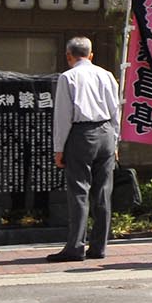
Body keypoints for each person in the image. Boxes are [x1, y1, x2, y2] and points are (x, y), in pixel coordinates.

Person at [47, 37, 121, 263]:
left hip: (81, 134)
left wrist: (59, 149)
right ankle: (99, 246)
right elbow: (115, 109)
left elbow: (63, 116)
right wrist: (115, 141)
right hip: (106, 132)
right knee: (103, 192)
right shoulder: (106, 75)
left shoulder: (68, 77)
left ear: (68, 56)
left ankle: (75, 247)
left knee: (79, 191)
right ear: (91, 55)